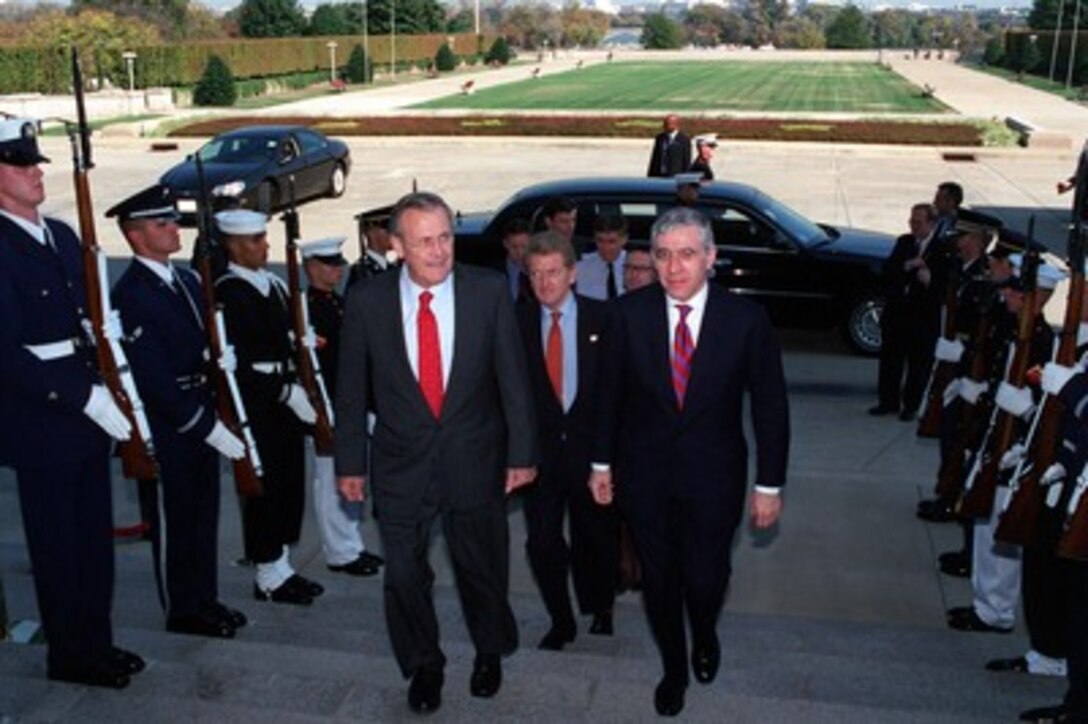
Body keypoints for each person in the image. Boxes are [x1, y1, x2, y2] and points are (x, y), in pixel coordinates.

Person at [334, 192, 538, 714]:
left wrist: (522, 452)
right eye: (425, 241)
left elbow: (513, 380)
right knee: (402, 573)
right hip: (400, 464)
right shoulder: (367, 301)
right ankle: (424, 664)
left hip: (475, 458)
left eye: (445, 237)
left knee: (481, 567)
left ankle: (489, 650)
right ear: (397, 246)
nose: (439, 250)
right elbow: (352, 389)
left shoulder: (487, 291)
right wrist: (350, 463)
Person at [589, 207, 790, 717]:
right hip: (644, 475)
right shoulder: (626, 316)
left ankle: (704, 632)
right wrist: (601, 464)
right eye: (662, 255)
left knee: (705, 577)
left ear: (711, 258)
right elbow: (606, 396)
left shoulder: (745, 320)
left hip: (715, 476)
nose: (674, 267)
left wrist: (769, 485)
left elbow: (770, 405)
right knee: (659, 579)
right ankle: (674, 669)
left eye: (686, 254)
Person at [0, 117, 144, 687]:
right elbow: (6, 353)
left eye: (36, 163)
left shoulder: (59, 235)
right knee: (58, 546)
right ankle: (71, 656)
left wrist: (110, 384)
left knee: (92, 539)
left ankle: (97, 642)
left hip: (89, 409)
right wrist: (80, 394)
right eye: (20, 164)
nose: (36, 172)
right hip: (42, 418)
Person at [108, 184, 249, 639]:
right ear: (135, 236)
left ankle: (204, 598)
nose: (173, 229)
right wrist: (205, 425)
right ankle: (183, 609)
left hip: (201, 408)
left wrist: (220, 359)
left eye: (172, 220)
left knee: (202, 514)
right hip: (170, 426)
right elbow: (154, 380)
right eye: (161, 223)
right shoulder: (131, 293)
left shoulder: (186, 281)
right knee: (175, 519)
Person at [214, 209, 323, 606]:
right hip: (258, 405)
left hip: (285, 396)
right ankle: (267, 574)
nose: (264, 245)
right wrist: (282, 392)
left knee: (289, 482)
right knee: (264, 489)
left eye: (263, 237)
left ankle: (281, 566)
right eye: (255, 240)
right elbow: (234, 366)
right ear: (232, 245)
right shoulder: (226, 292)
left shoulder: (273, 285)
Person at [517, 231, 617, 651]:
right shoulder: (515, 322)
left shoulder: (605, 320)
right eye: (536, 274)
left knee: (594, 537)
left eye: (553, 273)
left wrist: (608, 458)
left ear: (573, 273)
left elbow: (617, 394)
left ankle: (601, 605)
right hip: (539, 459)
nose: (544, 283)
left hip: (592, 456)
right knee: (541, 541)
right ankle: (561, 619)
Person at [301, 236, 385, 577]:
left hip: (350, 401)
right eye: (328, 265)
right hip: (328, 403)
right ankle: (340, 552)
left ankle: (351, 545)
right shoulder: (307, 309)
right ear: (310, 268)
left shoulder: (335, 303)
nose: (337, 270)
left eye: (338, 265)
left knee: (351, 473)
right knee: (331, 476)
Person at [870, 203, 946, 420]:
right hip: (897, 312)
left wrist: (930, 280)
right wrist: (907, 266)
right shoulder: (904, 242)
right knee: (890, 360)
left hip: (921, 316)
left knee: (917, 364)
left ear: (931, 224)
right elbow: (888, 271)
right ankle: (888, 401)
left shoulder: (940, 250)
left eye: (918, 222)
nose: (914, 226)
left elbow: (944, 285)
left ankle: (911, 405)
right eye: (911, 221)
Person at [575, 213, 628, 301]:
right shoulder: (580, 269)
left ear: (624, 239)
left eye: (612, 241)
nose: (605, 247)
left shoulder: (636, 266)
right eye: (600, 241)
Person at [647, 113, 691, 178]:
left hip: (675, 176)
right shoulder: (660, 138)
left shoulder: (684, 140)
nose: (664, 126)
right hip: (660, 175)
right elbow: (655, 158)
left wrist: (686, 177)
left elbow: (686, 161)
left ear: (675, 125)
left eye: (667, 124)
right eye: (665, 123)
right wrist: (650, 175)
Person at [500, 217, 533, 303]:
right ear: (505, 244)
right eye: (514, 247)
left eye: (524, 246)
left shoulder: (538, 270)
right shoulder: (495, 273)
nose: (519, 252)